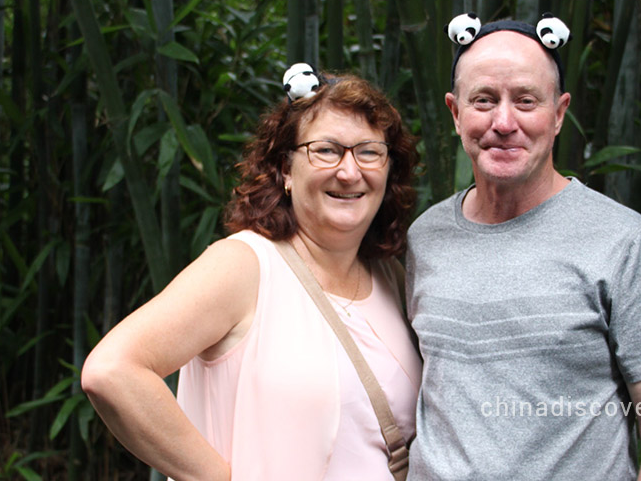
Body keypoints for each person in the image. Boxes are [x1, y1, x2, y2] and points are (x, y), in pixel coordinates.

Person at [81, 68, 421, 480]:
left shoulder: (392, 277)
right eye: (326, 150)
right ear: (285, 170)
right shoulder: (245, 265)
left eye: (369, 152)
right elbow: (113, 371)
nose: (350, 172)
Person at [405, 15, 641, 480]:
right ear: (455, 113)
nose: (504, 122)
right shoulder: (425, 238)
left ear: (559, 113)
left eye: (526, 101)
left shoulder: (623, 241)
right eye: (483, 101)